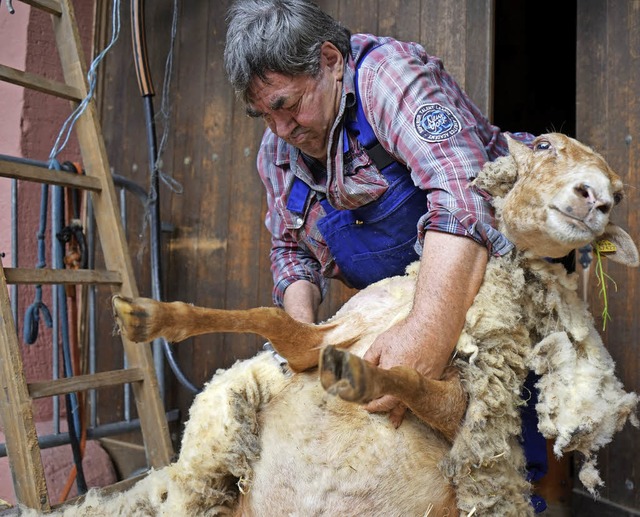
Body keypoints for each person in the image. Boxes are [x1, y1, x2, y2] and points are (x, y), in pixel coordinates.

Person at [223, 0, 547, 512]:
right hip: (387, 308)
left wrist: (425, 332)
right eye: (263, 114)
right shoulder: (278, 148)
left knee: (490, 459)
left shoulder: (387, 78)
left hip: (475, 293)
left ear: (330, 61)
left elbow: (465, 188)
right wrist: (301, 339)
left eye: (287, 105)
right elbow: (290, 250)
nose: (280, 128)